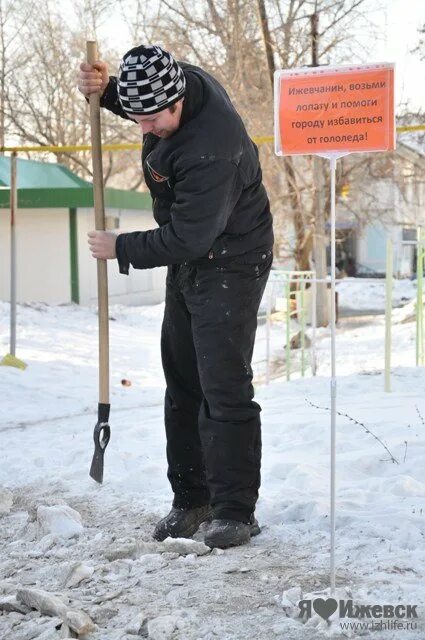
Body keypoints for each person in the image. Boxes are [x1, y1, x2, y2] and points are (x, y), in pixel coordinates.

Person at [78, 44, 274, 549]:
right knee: (182, 380)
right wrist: (106, 93)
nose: (142, 129)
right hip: (192, 257)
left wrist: (119, 247)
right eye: (136, 115)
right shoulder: (172, 89)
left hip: (230, 259)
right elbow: (143, 105)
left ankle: (235, 511)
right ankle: (192, 500)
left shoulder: (213, 148)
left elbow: (189, 237)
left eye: (149, 120)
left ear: (177, 103)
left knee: (222, 384)